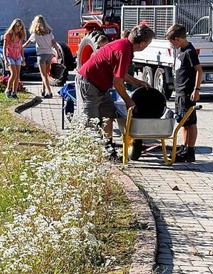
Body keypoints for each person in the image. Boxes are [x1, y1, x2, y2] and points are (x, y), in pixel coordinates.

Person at [75, 25, 154, 159]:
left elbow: (119, 73)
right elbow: (118, 82)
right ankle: (88, 155)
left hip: (101, 85)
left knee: (108, 114)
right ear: (142, 43)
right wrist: (128, 101)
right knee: (90, 120)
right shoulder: (124, 51)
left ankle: (108, 149)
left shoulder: (125, 46)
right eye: (149, 43)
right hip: (89, 83)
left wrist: (138, 82)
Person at [167, 24, 202, 163]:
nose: (171, 45)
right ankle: (184, 147)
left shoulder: (189, 51)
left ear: (178, 39)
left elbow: (199, 70)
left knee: (190, 122)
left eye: (172, 42)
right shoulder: (181, 50)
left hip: (187, 92)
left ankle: (190, 150)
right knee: (182, 122)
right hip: (179, 92)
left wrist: (196, 89)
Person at [23, 15, 61, 99]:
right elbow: (54, 43)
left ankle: (49, 92)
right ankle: (43, 91)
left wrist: (21, 47)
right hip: (49, 54)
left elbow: (28, 42)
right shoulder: (49, 32)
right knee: (46, 74)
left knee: (43, 75)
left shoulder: (35, 33)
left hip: (41, 55)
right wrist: (58, 52)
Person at [3, 19, 27, 99]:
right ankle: (7, 90)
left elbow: (21, 48)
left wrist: (23, 58)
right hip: (9, 56)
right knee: (14, 74)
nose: (18, 30)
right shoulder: (8, 35)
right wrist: (5, 59)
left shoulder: (20, 35)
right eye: (17, 28)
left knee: (17, 76)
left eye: (20, 28)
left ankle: (14, 93)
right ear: (13, 27)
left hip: (17, 57)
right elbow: (4, 47)